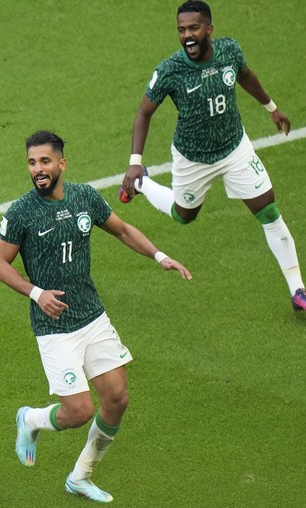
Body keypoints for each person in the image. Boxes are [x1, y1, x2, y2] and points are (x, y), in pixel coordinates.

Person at [0, 130, 191, 502]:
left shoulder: (84, 197)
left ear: (61, 164)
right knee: (79, 410)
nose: (38, 169)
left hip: (92, 317)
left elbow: (123, 230)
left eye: (45, 161)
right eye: (32, 162)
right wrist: (36, 293)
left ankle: (80, 476)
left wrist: (159, 256)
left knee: (117, 400)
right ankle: (31, 419)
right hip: (54, 328)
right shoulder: (20, 212)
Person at [119, 0, 306, 311]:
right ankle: (142, 185)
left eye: (194, 28)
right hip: (193, 159)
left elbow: (245, 75)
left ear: (209, 29)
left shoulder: (229, 51)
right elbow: (143, 114)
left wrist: (272, 108)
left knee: (269, 212)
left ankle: (298, 289)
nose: (187, 35)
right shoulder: (171, 70)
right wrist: (135, 164)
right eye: (181, 30)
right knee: (184, 216)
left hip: (235, 148)